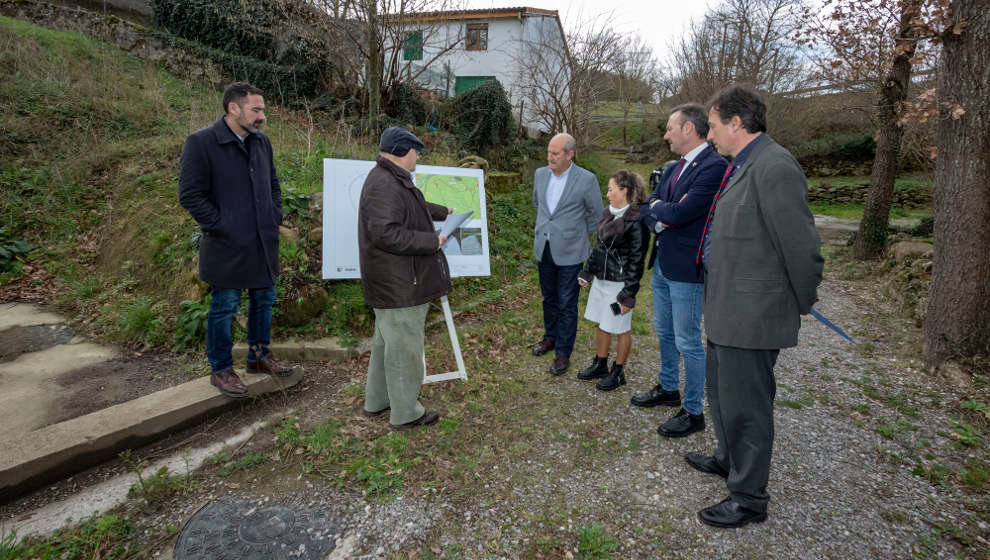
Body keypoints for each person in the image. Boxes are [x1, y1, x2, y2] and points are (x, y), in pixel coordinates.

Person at [686, 85, 823, 528]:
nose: (709, 136)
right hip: (727, 311)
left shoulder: (774, 166)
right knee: (723, 396)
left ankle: (748, 498)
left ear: (735, 124)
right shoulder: (741, 165)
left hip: (752, 316)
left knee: (747, 407)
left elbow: (801, 247)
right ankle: (728, 460)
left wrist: (800, 300)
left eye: (711, 126)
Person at [178, 81, 291, 399]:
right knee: (224, 307)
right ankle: (221, 370)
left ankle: (258, 357)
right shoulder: (201, 143)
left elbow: (273, 184)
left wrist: (273, 216)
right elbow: (190, 194)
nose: (262, 116)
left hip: (262, 242)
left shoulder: (261, 142)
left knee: (263, 301)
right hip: (226, 245)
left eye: (263, 110)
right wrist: (221, 225)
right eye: (256, 109)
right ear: (233, 108)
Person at [634, 104, 728, 438]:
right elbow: (649, 205)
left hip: (687, 269)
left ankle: (693, 411)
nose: (665, 134)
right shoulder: (676, 166)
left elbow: (682, 212)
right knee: (666, 333)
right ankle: (669, 387)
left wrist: (664, 212)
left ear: (689, 128)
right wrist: (662, 211)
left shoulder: (714, 166)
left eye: (670, 128)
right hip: (662, 263)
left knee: (688, 340)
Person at [358, 126, 452, 431]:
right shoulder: (386, 183)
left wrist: (443, 211)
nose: (418, 157)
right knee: (405, 349)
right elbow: (385, 232)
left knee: (387, 344)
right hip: (400, 283)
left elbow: (412, 208)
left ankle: (378, 400)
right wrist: (431, 242)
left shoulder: (387, 178)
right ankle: (406, 413)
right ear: (402, 151)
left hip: (393, 281)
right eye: (416, 152)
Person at [532, 133, 604, 375]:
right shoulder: (540, 174)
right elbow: (537, 205)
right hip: (545, 247)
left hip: (572, 252)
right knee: (549, 298)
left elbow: (596, 213)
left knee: (567, 303)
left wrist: (579, 234)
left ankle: (563, 352)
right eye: (549, 152)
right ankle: (550, 338)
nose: (549, 157)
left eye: (555, 153)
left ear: (570, 154)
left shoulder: (586, 179)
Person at [575, 171, 649, 391]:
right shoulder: (608, 214)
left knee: (620, 327)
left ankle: (618, 372)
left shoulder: (637, 221)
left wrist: (628, 295)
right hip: (601, 283)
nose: (607, 194)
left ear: (624, 190)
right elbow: (599, 248)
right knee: (601, 323)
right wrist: (587, 272)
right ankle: (600, 363)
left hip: (619, 287)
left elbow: (637, 261)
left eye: (610, 189)